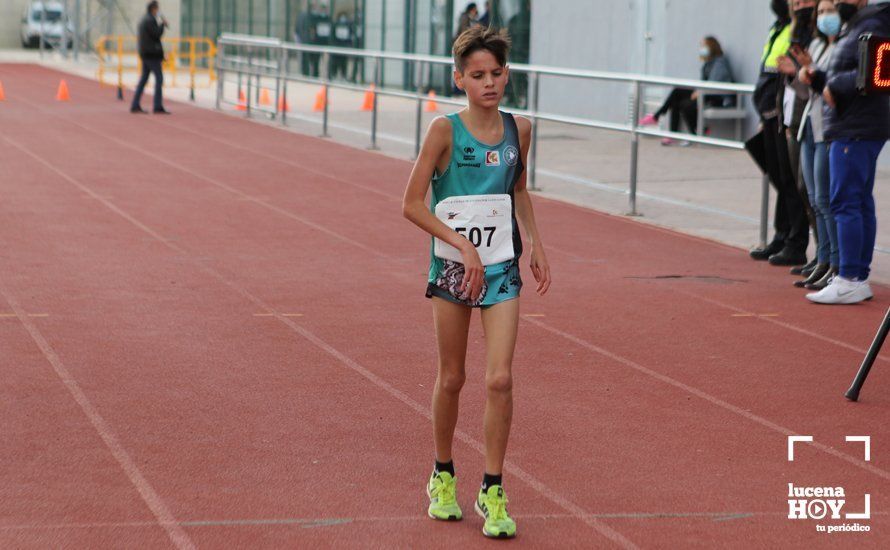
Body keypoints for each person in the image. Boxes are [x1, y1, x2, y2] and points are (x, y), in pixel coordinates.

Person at [401, 25, 551, 539]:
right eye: (478, 75)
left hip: (502, 267)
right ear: (459, 79)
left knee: (500, 379)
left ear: (507, 74)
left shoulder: (520, 130)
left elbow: (519, 189)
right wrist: (461, 244)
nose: (490, 83)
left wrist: (535, 241)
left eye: (497, 73)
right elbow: (411, 204)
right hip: (451, 267)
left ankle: (493, 487)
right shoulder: (443, 131)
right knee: (453, 377)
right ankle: (442, 474)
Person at [805, 0, 890, 304]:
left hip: (854, 125)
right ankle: (857, 277)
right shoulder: (860, 24)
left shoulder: (871, 23)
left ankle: (850, 277)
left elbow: (874, 71)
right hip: (855, 123)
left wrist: (834, 86)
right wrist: (818, 79)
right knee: (859, 201)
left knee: (847, 201)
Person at [749, 0, 810, 266]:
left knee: (792, 180)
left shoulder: (802, 30)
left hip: (787, 116)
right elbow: (769, 72)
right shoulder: (780, 27)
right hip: (772, 112)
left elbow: (791, 76)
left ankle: (796, 242)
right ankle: (782, 235)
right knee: (779, 176)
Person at [788, 0, 840, 289]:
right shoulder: (818, 46)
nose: (824, 17)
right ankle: (822, 259)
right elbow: (806, 90)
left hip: (827, 128)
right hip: (809, 125)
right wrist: (795, 73)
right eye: (821, 12)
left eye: (829, 11)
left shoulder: (841, 46)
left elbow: (832, 86)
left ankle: (835, 261)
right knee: (813, 197)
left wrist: (811, 71)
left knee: (825, 199)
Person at [776, 0, 820, 277]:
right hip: (793, 121)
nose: (799, 5)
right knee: (805, 192)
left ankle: (830, 259)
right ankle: (822, 256)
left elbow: (817, 83)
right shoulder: (794, 32)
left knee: (819, 196)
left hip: (815, 125)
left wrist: (801, 72)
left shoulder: (818, 39)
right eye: (796, 2)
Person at [640, 36, 735, 145]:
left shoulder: (720, 62)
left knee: (684, 104)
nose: (701, 48)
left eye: (704, 46)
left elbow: (715, 83)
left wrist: (699, 91)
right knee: (677, 92)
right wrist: (699, 91)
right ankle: (667, 128)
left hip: (718, 98)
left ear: (711, 47)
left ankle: (693, 133)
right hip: (706, 94)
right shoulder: (707, 64)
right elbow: (703, 83)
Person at [131, 1, 169, 114]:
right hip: (151, 55)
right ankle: (157, 106)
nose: (158, 11)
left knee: (144, 79)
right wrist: (162, 25)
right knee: (159, 78)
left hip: (146, 53)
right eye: (157, 9)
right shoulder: (150, 20)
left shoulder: (144, 20)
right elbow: (156, 34)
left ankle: (135, 104)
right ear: (153, 9)